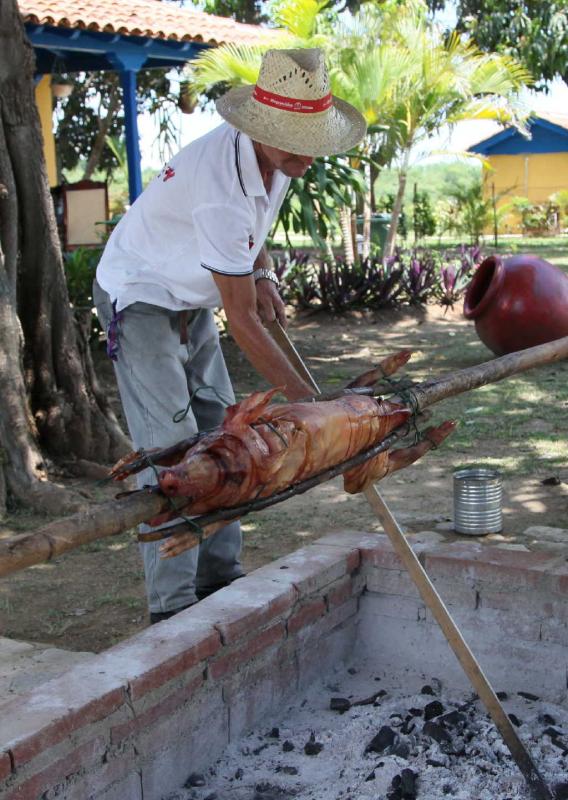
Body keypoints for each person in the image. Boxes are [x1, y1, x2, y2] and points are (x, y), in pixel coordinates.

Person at [94, 47, 366, 624]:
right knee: (171, 449)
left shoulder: (280, 159)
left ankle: (222, 582)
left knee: (226, 432)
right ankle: (171, 611)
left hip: (190, 292)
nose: (309, 155)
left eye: (314, 140)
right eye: (298, 141)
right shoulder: (220, 183)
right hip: (141, 294)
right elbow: (241, 319)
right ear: (263, 129)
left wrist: (261, 270)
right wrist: (313, 403)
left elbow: (254, 224)